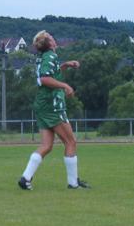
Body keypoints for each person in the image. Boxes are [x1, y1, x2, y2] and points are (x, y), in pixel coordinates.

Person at [18, 30, 88, 190]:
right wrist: (65, 86)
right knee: (70, 142)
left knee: (46, 145)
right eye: (50, 37)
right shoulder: (50, 56)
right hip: (52, 105)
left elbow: (51, 74)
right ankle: (73, 183)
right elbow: (45, 79)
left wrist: (65, 65)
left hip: (42, 104)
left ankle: (25, 178)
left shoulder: (43, 57)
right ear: (49, 43)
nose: (53, 38)